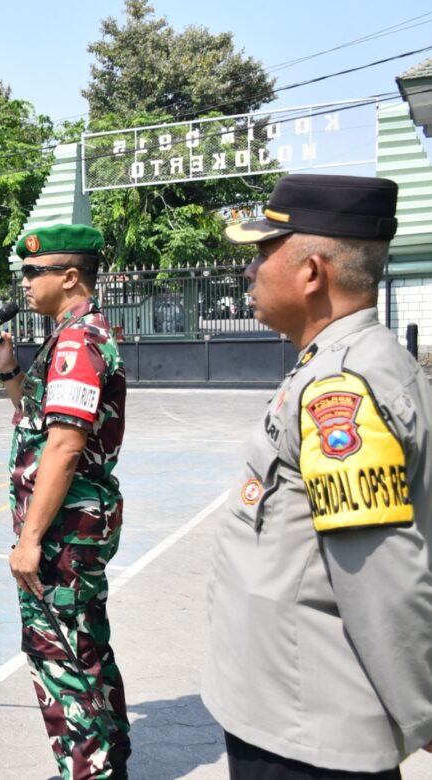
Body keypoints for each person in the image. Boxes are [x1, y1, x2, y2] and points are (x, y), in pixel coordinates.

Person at [204, 175, 432, 779]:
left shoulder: (345, 388)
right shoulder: (334, 364)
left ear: (311, 273)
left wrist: (425, 713)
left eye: (261, 255)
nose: (249, 273)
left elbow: (379, 573)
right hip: (288, 707)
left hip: (307, 732)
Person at [0, 223, 130, 778]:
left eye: (33, 273)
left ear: (69, 277)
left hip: (64, 528)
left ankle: (87, 771)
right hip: (74, 525)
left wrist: (30, 540)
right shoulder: (68, 337)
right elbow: (44, 419)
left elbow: (63, 446)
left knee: (59, 652)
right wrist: (8, 368)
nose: (25, 283)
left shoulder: (79, 341)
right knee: (86, 643)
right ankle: (109, 759)